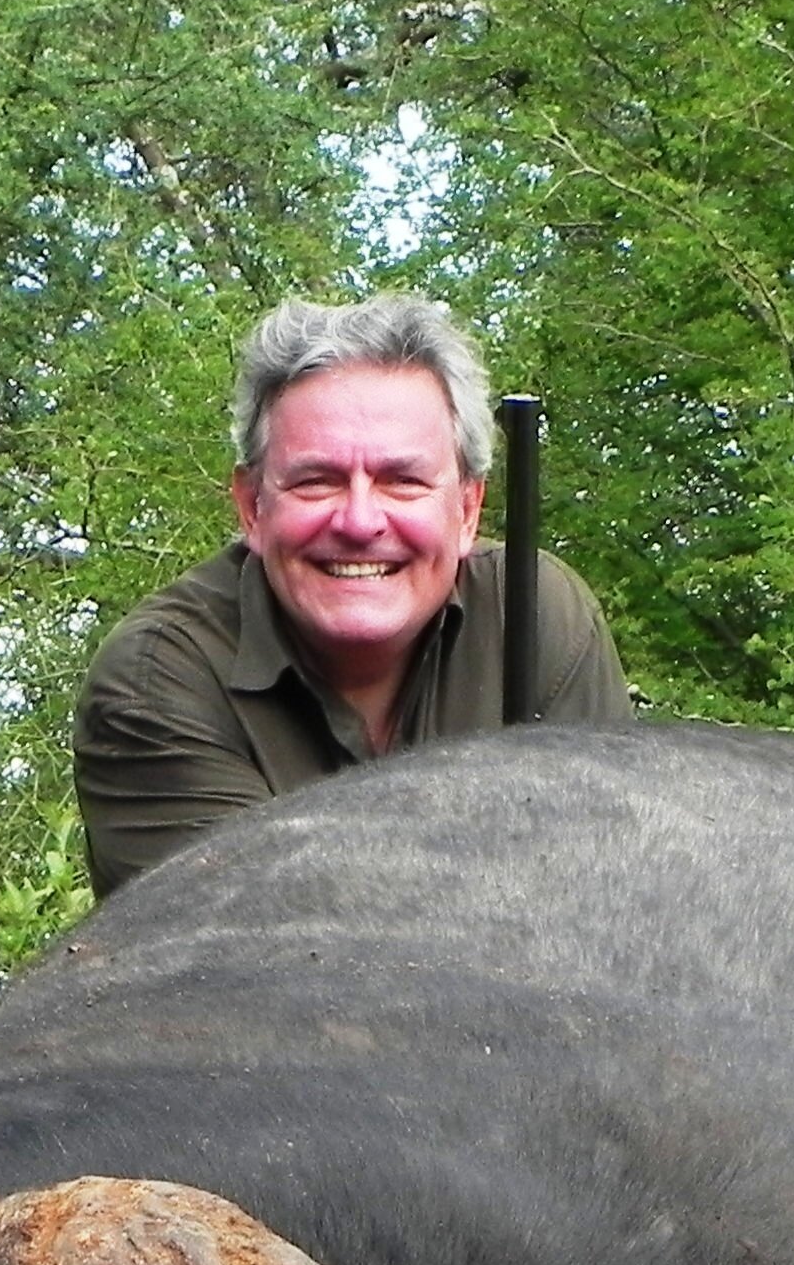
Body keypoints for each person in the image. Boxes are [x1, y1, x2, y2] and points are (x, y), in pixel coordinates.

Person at [72, 294, 635, 898]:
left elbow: (621, 892)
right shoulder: (155, 685)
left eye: (403, 481)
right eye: (318, 481)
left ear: (468, 509)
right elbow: (272, 950)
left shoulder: (537, 613)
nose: (361, 521)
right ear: (251, 508)